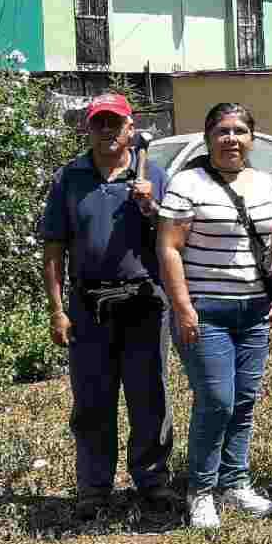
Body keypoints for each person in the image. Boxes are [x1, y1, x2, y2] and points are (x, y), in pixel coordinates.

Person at [40, 92, 176, 520]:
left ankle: (152, 482)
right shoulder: (69, 178)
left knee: (149, 395)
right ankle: (94, 488)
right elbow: (53, 249)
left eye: (114, 123)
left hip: (145, 302)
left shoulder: (153, 173)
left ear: (130, 128)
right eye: (98, 122)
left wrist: (151, 206)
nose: (106, 131)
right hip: (88, 306)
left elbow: (175, 239)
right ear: (88, 128)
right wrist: (57, 310)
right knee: (93, 399)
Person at [157, 103, 272, 529]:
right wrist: (183, 307)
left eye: (239, 131)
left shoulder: (264, 183)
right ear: (208, 137)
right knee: (217, 400)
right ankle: (200, 490)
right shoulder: (186, 183)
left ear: (252, 138)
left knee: (244, 401)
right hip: (205, 312)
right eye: (222, 131)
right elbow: (169, 248)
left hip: (253, 311)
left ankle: (235, 483)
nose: (231, 139)